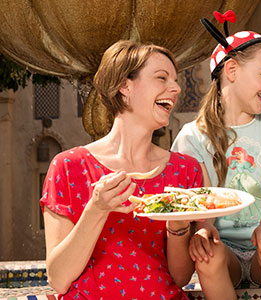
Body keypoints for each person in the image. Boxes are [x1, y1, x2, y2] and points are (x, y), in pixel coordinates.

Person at [41, 40, 202, 299]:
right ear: (124, 86)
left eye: (175, 80)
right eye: (162, 78)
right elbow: (58, 279)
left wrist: (178, 226)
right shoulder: (69, 167)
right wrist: (97, 209)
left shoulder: (184, 170)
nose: (176, 88)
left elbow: (180, 278)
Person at [170, 11, 261, 300]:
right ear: (232, 71)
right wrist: (203, 229)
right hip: (225, 250)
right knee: (206, 254)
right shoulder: (192, 136)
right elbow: (198, 196)